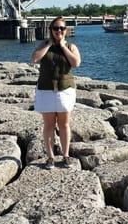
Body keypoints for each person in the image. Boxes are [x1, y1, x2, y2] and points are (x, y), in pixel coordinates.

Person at [31, 17, 81, 169]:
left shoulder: (71, 46)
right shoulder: (44, 45)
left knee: (64, 124)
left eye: (62, 28)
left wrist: (62, 46)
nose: (58, 31)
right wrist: (49, 45)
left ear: (66, 30)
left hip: (65, 90)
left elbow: (76, 63)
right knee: (48, 125)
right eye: (55, 28)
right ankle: (50, 157)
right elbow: (35, 59)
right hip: (46, 89)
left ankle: (66, 156)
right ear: (51, 30)